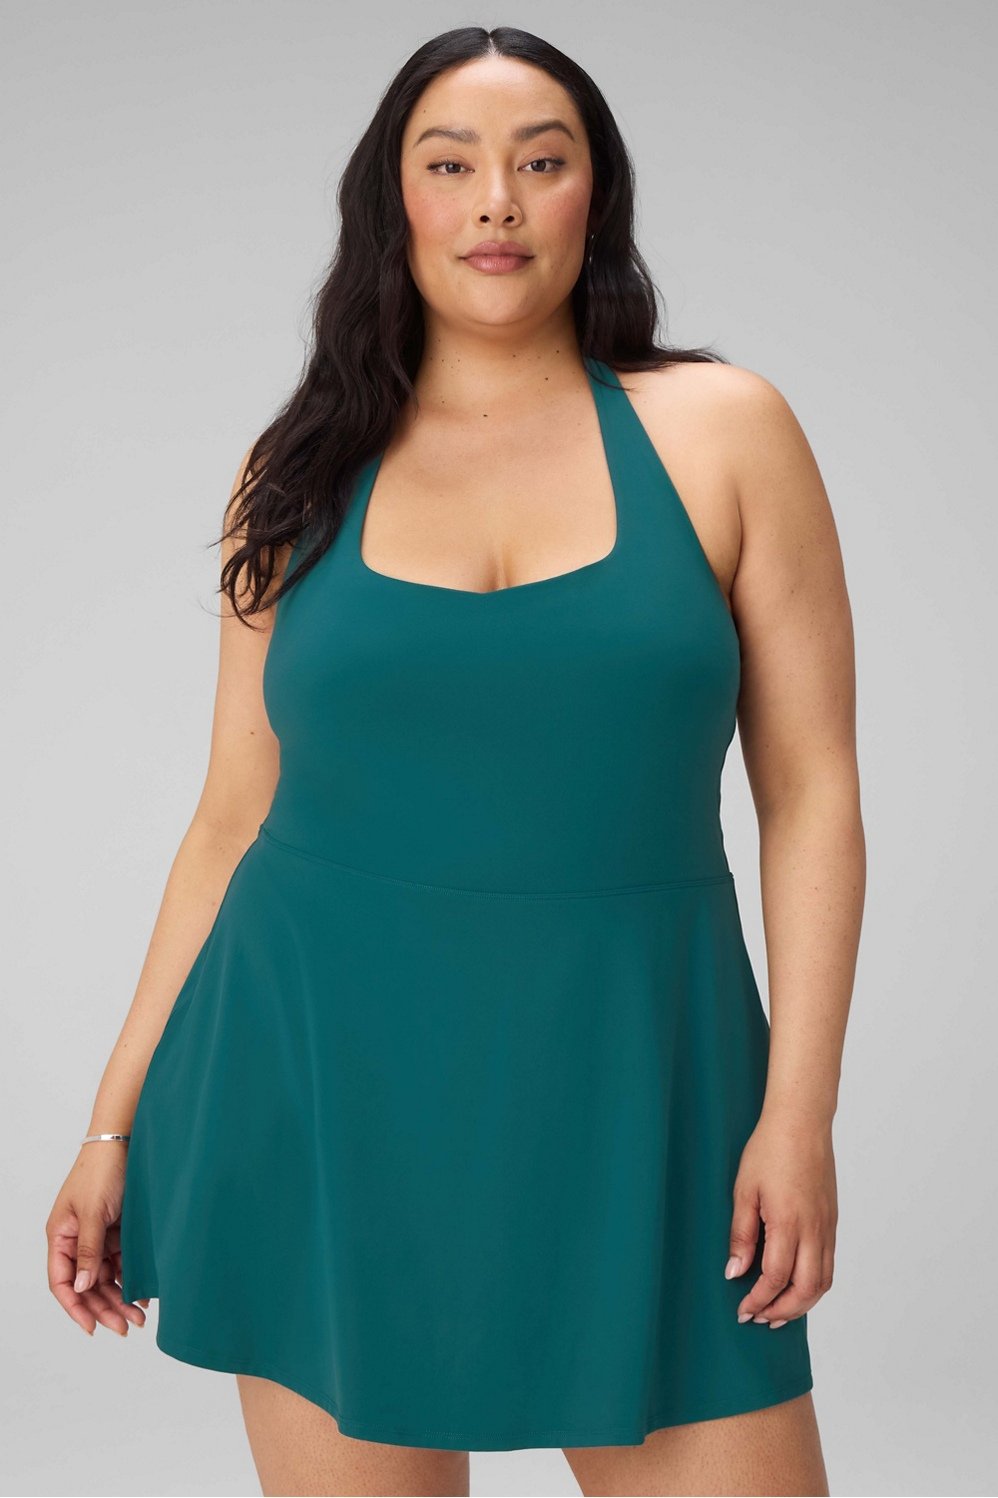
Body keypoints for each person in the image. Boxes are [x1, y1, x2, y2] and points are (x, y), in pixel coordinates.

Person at [45, 25, 861, 1498]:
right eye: (451, 164)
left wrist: (796, 1113)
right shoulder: (296, 471)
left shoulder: (724, 431)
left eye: (541, 162)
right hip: (320, 1084)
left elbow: (810, 795)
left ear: (595, 197)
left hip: (640, 1085)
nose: (497, 200)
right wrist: (112, 1121)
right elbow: (231, 818)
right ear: (394, 202)